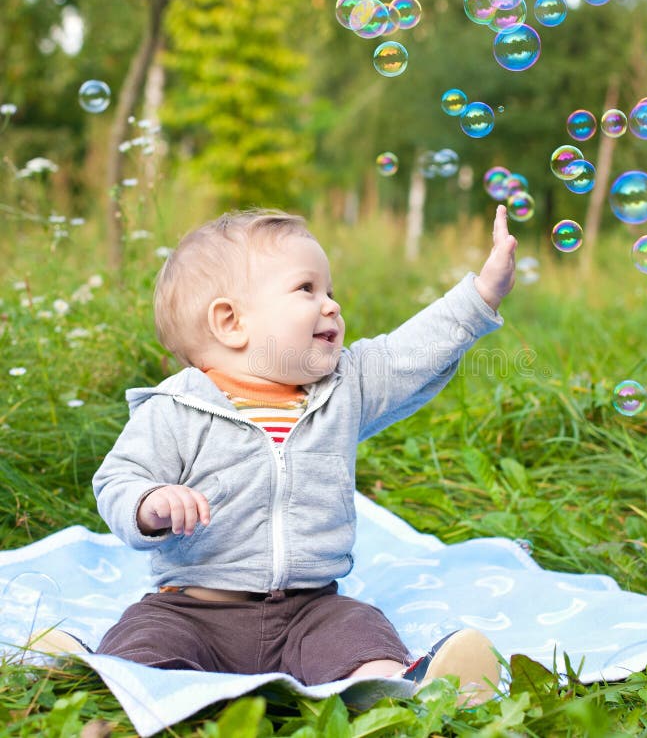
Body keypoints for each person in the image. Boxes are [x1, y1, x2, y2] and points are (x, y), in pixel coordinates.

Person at [46, 205, 517, 704]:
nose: (332, 305)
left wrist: (481, 294)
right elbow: (119, 479)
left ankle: (403, 685)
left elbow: (409, 353)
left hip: (310, 609)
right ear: (230, 322)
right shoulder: (174, 410)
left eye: (330, 291)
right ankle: (102, 675)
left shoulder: (344, 389)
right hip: (194, 608)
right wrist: (150, 503)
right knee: (147, 639)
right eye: (307, 289)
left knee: (360, 631)